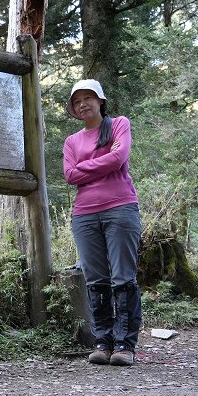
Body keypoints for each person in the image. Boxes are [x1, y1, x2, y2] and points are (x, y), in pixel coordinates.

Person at [63, 79, 142, 367]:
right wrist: (105, 161)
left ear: (101, 101)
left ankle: (125, 344)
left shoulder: (119, 124)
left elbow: (120, 156)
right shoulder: (72, 141)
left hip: (120, 209)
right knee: (96, 280)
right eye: (77, 101)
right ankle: (102, 342)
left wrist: (86, 168)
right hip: (84, 214)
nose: (83, 104)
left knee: (123, 278)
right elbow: (70, 175)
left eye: (88, 98)